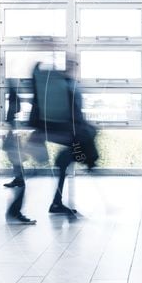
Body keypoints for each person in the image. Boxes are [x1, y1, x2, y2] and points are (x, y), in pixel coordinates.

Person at [30, 60, 98, 216]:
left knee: (65, 163)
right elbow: (73, 113)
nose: (71, 70)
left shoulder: (67, 85)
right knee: (78, 147)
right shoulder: (65, 86)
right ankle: (85, 161)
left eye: (73, 67)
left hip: (68, 133)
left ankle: (57, 202)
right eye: (69, 67)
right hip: (66, 132)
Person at [2, 80, 35, 225]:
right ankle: (14, 212)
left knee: (21, 174)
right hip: (16, 147)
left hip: (15, 146)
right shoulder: (13, 116)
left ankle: (14, 212)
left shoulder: (12, 115)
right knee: (23, 179)